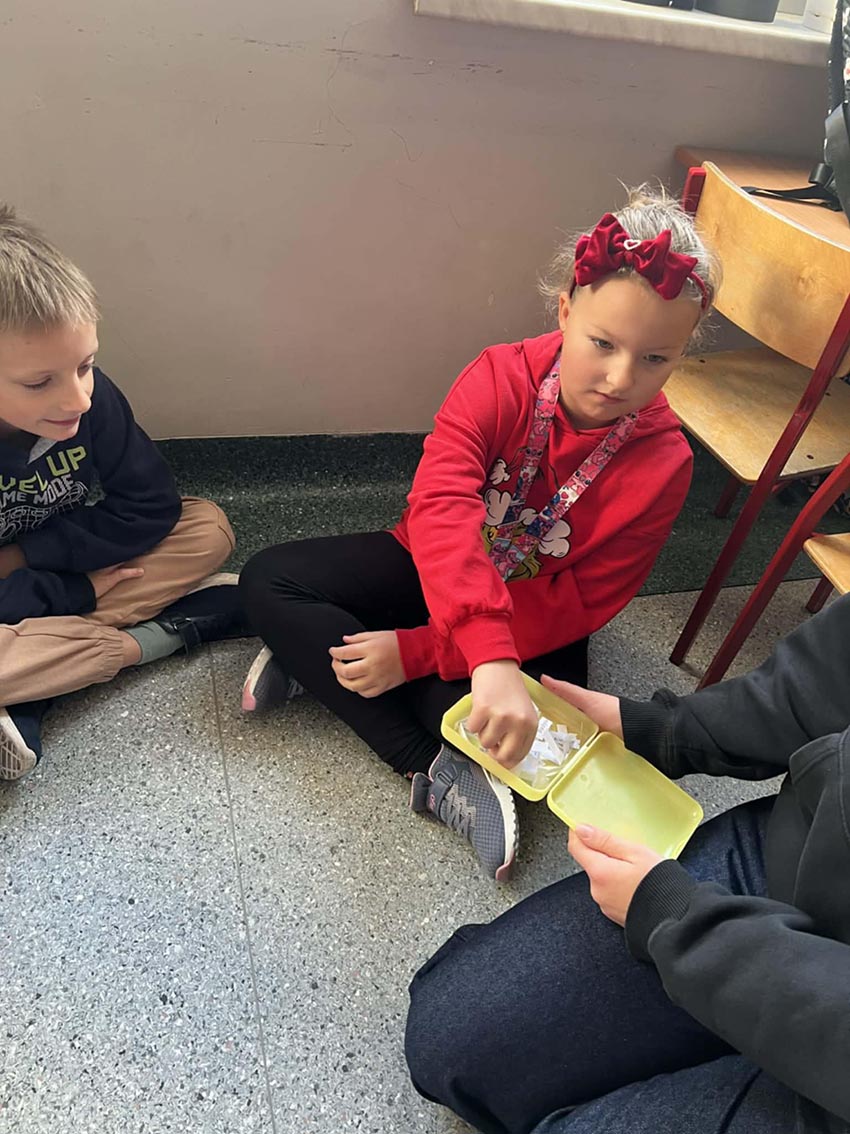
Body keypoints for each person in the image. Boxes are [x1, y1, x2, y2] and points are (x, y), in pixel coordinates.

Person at [239, 189, 717, 880]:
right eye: (603, 344)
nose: (620, 379)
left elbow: (584, 600)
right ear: (565, 310)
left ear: (681, 355)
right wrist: (481, 656)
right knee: (268, 579)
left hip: (535, 616)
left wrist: (419, 652)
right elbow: (440, 507)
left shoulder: (666, 461)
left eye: (655, 360)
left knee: (504, 727)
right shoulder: (498, 374)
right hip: (433, 568)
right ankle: (425, 765)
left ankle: (321, 662)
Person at [404, 593, 850, 1134]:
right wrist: (660, 728)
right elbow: (818, 679)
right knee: (450, 1037)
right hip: (793, 853)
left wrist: (675, 921)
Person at [0, 203, 246, 780]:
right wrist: (76, 590)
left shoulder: (90, 400)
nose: (78, 399)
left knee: (207, 529)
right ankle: (156, 638)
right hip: (40, 587)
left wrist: (29, 560)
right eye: (39, 382)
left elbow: (152, 505)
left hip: (49, 566)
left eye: (85, 365)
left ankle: (29, 679)